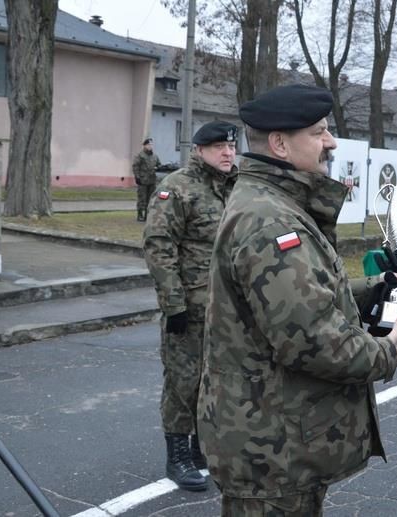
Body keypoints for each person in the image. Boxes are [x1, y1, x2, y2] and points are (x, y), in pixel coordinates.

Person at [198, 84, 397, 516]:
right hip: (272, 451)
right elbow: (313, 341)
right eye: (319, 132)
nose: (331, 142)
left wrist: (373, 291)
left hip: (276, 441)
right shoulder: (270, 220)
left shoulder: (276, 203)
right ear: (280, 144)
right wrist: (385, 352)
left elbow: (299, 299)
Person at [142, 121, 239, 491]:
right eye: (218, 147)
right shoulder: (177, 188)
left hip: (228, 307)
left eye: (230, 146)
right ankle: (177, 456)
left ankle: (201, 448)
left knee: (216, 378)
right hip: (190, 307)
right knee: (183, 380)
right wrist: (173, 304)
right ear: (199, 150)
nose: (227, 153)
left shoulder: (236, 186)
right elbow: (158, 246)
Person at [132, 137, 162, 222]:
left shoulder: (155, 156)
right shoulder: (140, 156)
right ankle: (140, 214)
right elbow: (135, 166)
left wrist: (159, 167)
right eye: (148, 145)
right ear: (144, 146)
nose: (150, 146)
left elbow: (159, 165)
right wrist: (137, 177)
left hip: (152, 180)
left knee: (151, 199)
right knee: (142, 198)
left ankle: (147, 215)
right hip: (143, 180)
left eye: (151, 145)